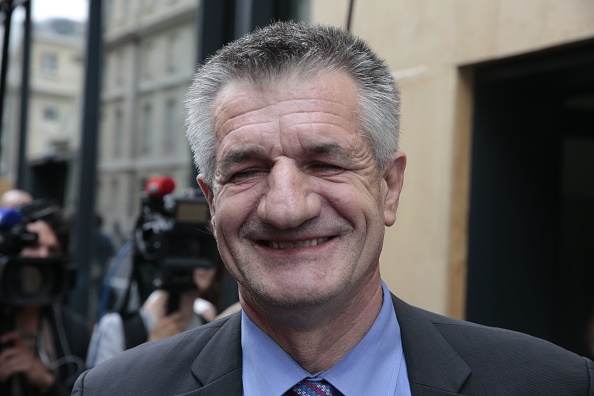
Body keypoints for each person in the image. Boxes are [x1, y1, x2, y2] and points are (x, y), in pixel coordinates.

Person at [72, 21, 593, 395]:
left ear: (389, 187)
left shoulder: (552, 384)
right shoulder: (115, 389)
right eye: (247, 170)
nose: (286, 207)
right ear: (211, 203)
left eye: (325, 163)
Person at [0, 200, 91, 395]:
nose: (43, 257)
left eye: (52, 250)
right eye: (35, 245)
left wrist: (46, 380)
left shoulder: (73, 332)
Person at [85, 261, 223, 369]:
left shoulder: (213, 332)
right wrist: (152, 350)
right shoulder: (115, 328)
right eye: (189, 249)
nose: (200, 263)